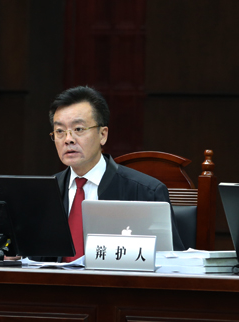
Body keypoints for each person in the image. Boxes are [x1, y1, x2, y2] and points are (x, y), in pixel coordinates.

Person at [47, 86, 185, 261]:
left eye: (79, 129)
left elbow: (172, 262)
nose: (68, 139)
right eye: (60, 131)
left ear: (103, 135)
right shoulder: (45, 192)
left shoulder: (146, 192)